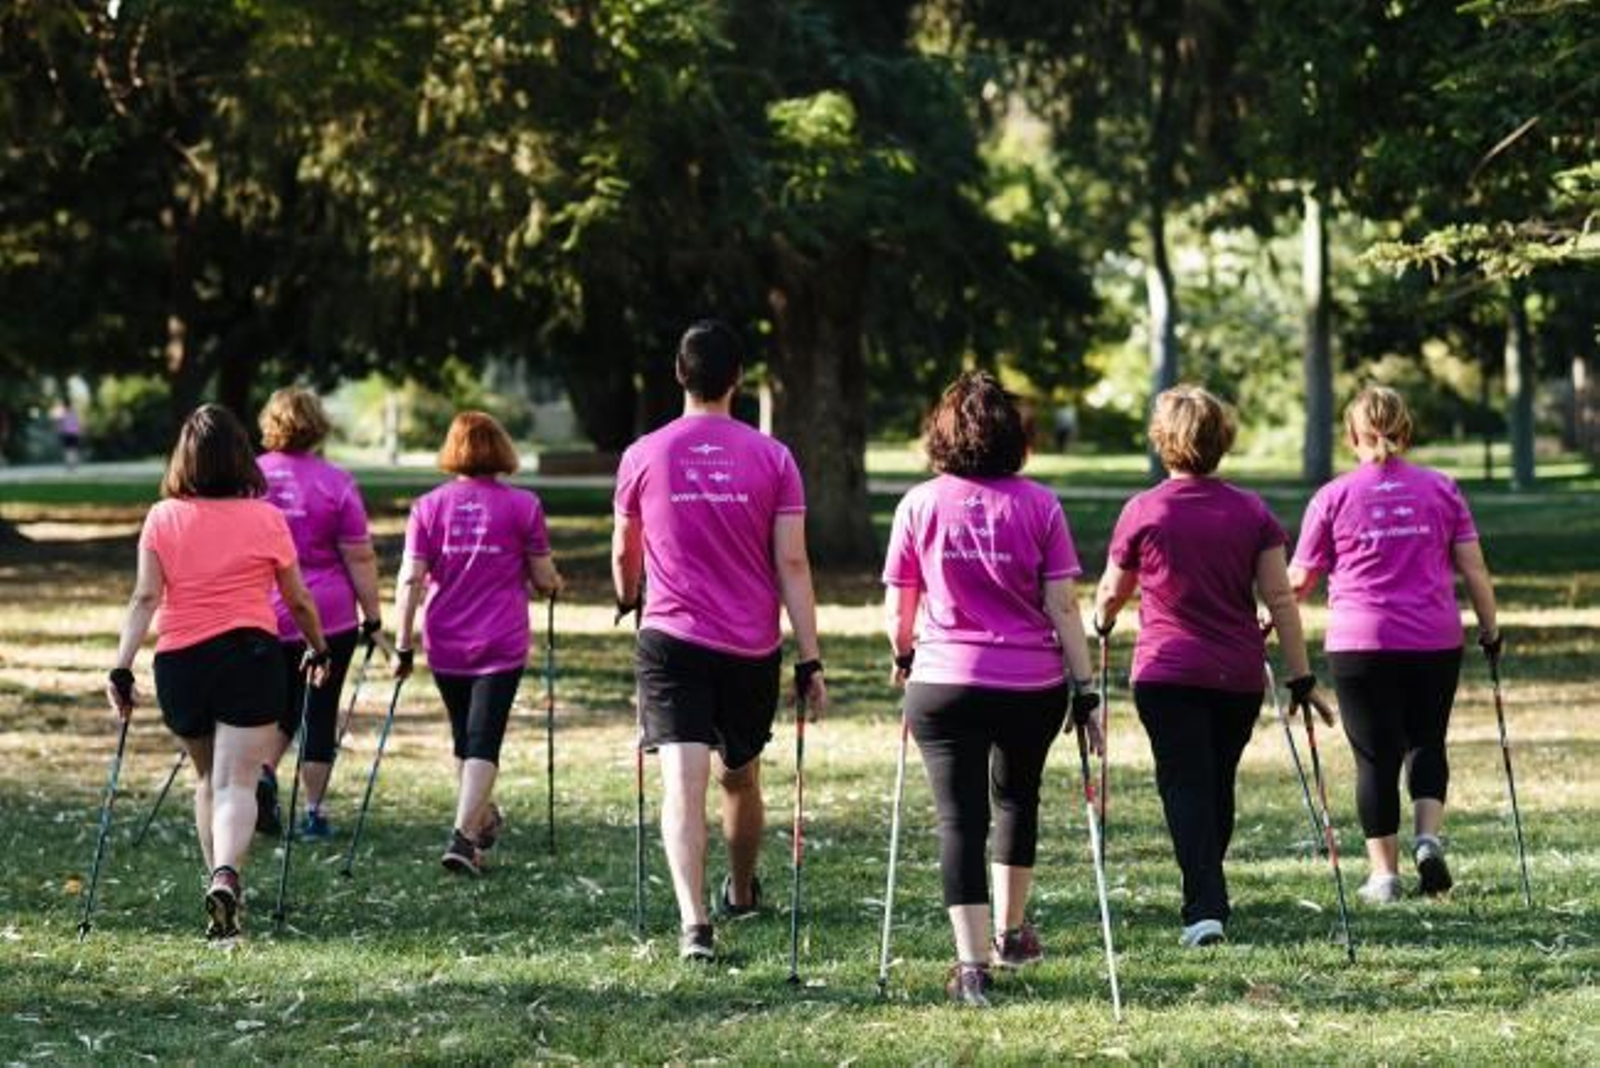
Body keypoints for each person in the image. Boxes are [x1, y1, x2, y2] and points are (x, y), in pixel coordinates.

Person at [882, 371, 1101, 1007]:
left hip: (944, 681)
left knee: (959, 820)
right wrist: (1084, 688)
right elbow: (1063, 605)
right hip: (1030, 684)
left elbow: (900, 605)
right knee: (1016, 802)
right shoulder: (1040, 505)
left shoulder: (918, 505)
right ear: (1016, 436)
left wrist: (903, 654)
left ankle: (971, 964)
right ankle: (1010, 935)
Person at [611, 319, 827, 964]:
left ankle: (694, 922)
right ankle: (737, 889)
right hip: (749, 644)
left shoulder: (642, 454)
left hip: (670, 636)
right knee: (739, 777)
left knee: (684, 783)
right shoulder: (773, 457)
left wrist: (629, 598)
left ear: (680, 375)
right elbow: (793, 564)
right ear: (738, 378)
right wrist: (811, 656)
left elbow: (625, 552)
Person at [1094, 385, 1331, 948]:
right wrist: (1301, 675)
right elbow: (1280, 600)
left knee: (1186, 784)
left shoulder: (1144, 510)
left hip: (1167, 672)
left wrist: (1101, 621)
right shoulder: (1250, 511)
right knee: (1214, 783)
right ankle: (1207, 891)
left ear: (1163, 442)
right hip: (1235, 675)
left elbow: (1110, 591)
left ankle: (1204, 903)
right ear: (1222, 441)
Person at [106, 404, 330, 939]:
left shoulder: (163, 516)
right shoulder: (266, 517)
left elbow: (144, 597)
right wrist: (319, 647)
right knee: (238, 781)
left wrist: (120, 667)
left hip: (181, 663)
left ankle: (219, 880)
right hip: (250, 658)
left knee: (207, 777)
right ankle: (227, 874)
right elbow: (297, 600)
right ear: (241, 457)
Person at [1288, 386, 1499, 904]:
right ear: (1405, 430)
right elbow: (1473, 567)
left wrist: (1263, 621)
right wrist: (1490, 629)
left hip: (1362, 643)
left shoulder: (1333, 496)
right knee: (1427, 740)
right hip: (1434, 638)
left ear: (1351, 435)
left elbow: (1297, 581)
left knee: (1375, 758)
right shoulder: (1442, 488)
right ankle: (1427, 838)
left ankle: (1384, 876)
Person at [395, 411, 562, 875]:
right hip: (500, 640)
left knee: (465, 738)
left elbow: (410, 579)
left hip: (444, 638)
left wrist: (402, 643)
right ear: (501, 449)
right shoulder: (523, 505)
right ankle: (465, 838)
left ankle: (478, 821)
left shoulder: (428, 507)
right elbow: (544, 577)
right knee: (482, 739)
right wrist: (553, 584)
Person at [255, 387, 383, 840]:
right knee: (318, 709)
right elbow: (360, 557)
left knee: (272, 705)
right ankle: (313, 811)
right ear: (317, 424)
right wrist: (373, 617)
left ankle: (262, 773)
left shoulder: (249, 479)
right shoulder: (337, 482)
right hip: (328, 614)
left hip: (263, 609)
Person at [55, 402, 81, 471]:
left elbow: (60, 426)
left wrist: (60, 431)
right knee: (71, 450)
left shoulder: (65, 416)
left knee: (70, 450)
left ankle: (71, 464)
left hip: (69, 435)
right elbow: (77, 425)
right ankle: (71, 464)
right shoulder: (72, 415)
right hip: (71, 435)